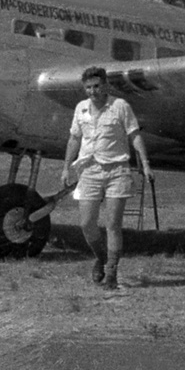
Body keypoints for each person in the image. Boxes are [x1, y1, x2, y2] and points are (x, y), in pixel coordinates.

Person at [62, 66, 152, 291]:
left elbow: (135, 135)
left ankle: (112, 271)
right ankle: (101, 257)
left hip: (117, 171)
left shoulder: (120, 106)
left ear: (106, 86)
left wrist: (146, 164)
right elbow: (74, 139)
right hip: (89, 170)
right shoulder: (81, 108)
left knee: (113, 224)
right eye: (88, 88)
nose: (92, 91)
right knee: (87, 223)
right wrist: (66, 168)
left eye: (97, 86)